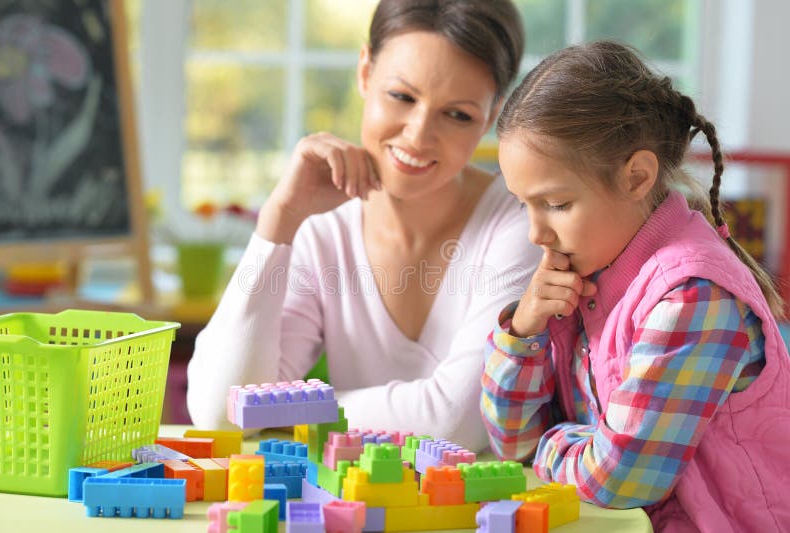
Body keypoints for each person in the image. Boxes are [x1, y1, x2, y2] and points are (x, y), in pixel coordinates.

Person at [187, 0, 541, 451]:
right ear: (365, 72)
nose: (418, 135)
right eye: (402, 96)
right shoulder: (321, 229)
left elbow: (457, 423)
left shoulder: (520, 225)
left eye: (458, 115)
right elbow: (221, 412)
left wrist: (284, 411)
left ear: (491, 116)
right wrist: (279, 221)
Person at [480, 40, 790, 530]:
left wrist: (550, 444)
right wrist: (523, 332)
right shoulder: (584, 279)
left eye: (556, 204)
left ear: (637, 177)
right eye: (524, 204)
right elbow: (512, 445)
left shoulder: (693, 296)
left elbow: (620, 479)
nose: (535, 233)